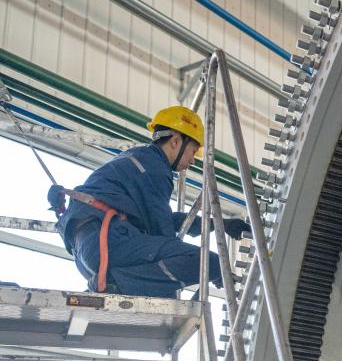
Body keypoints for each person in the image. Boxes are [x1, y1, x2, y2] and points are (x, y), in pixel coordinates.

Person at [51, 106, 250, 298]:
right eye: (192, 151)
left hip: (91, 250)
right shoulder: (154, 168)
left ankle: (115, 282)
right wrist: (213, 271)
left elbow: (164, 219)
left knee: (172, 275)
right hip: (107, 243)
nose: (192, 161)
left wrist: (219, 224)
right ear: (175, 141)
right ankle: (116, 283)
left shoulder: (138, 160)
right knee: (206, 262)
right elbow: (162, 230)